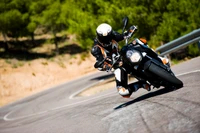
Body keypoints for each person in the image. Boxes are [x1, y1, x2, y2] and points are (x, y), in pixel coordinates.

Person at [91, 23, 168, 98]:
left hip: (123, 55)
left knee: (139, 42)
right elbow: (99, 62)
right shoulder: (96, 49)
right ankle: (141, 84)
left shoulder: (113, 35)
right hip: (117, 65)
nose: (107, 40)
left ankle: (160, 58)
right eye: (104, 38)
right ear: (98, 37)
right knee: (123, 92)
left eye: (109, 37)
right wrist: (106, 66)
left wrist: (130, 31)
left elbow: (122, 36)